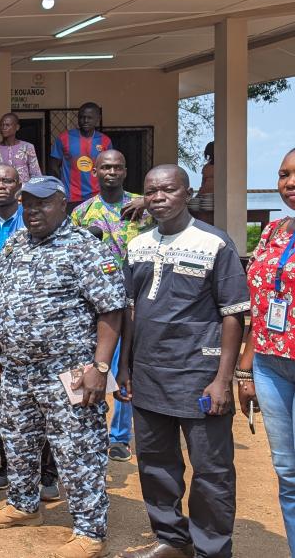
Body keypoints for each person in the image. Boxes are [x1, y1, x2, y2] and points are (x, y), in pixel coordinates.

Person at [0, 176, 125, 558]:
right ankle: (23, 506)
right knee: (18, 443)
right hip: (17, 370)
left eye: (42, 203)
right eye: (27, 204)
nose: (32, 211)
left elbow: (111, 309)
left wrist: (101, 367)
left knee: (78, 452)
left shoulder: (84, 247)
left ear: (62, 204)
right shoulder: (16, 243)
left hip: (70, 370)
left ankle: (90, 532)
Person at [118, 165, 248, 558]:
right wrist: (124, 366)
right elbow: (130, 311)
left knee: (211, 470)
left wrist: (223, 379)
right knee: (155, 464)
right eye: (150, 191)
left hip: (199, 376)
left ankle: (212, 549)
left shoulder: (215, 244)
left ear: (187, 194)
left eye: (168, 190)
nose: (158, 198)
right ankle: (173, 540)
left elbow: (233, 314)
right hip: (149, 374)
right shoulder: (137, 245)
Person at [0, 166, 61, 501]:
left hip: (52, 347)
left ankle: (48, 473)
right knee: (6, 407)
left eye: (7, 180)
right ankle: (9, 468)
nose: (0, 186)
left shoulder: (49, 232)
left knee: (48, 410)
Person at [69, 149, 154, 463]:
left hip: (134, 300)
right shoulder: (82, 213)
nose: (112, 172)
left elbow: (183, 205)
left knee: (124, 364)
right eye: (105, 167)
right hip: (95, 304)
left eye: (118, 167)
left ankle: (119, 436)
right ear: (95, 172)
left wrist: (148, 202)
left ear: (125, 171)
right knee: (90, 362)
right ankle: (87, 429)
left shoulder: (144, 206)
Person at [238, 147, 295, 556]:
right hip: (270, 365)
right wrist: (246, 369)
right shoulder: (274, 232)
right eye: (283, 174)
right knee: (288, 473)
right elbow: (258, 306)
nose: (290, 183)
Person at [51, 102, 112, 211]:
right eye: (82, 117)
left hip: (97, 197)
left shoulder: (105, 141)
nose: (85, 120)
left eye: (89, 118)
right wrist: (62, 186)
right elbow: (53, 165)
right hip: (70, 197)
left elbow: (109, 168)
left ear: (98, 119)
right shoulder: (64, 138)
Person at [0, 113, 42, 184]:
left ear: (17, 127)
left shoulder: (27, 147)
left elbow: (36, 174)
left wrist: (33, 190)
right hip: (1, 189)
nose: (3, 128)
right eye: (1, 125)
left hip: (24, 190)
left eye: (7, 125)